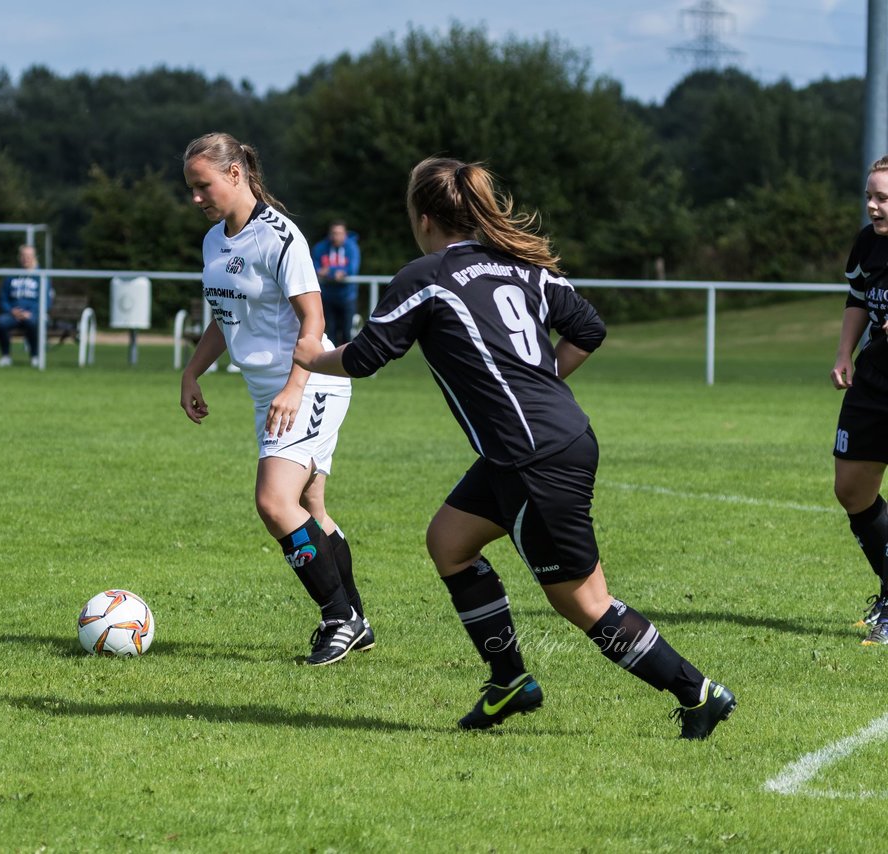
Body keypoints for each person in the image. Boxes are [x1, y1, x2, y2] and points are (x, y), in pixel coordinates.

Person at [293, 156, 736, 738]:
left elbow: (365, 357)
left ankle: (697, 693)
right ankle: (510, 683)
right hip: (542, 444)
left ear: (423, 218)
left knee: (585, 602)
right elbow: (590, 329)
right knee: (449, 542)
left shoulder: (425, 277)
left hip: (535, 458)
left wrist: (309, 356)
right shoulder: (518, 265)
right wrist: (542, 387)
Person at [180, 132, 371, 666]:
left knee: (273, 501)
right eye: (191, 188)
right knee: (308, 506)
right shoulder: (215, 240)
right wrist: (192, 372)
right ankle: (355, 616)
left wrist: (294, 386)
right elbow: (224, 316)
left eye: (203, 185)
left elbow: (315, 320)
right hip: (270, 390)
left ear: (235, 174)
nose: (196, 198)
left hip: (311, 382)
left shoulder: (280, 237)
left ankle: (340, 618)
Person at [831, 154, 888, 645]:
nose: (873, 205)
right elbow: (857, 298)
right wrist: (845, 353)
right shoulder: (867, 243)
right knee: (851, 488)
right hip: (874, 381)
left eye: (883, 198)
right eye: (870, 196)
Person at [0, 244, 52, 367]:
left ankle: (35, 356)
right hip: (13, 314)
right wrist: (11, 310)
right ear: (19, 257)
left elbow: (46, 301)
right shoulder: (11, 276)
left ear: (34, 257)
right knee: (1, 322)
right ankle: (5, 356)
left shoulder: (41, 276)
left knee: (33, 323)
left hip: (32, 314)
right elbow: (3, 298)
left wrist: (31, 312)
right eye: (24, 256)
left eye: (29, 256)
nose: (26, 259)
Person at [311, 221, 361, 345]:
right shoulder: (320, 247)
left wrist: (328, 271)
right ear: (329, 234)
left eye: (339, 233)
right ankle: (331, 362)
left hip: (347, 296)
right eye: (334, 233)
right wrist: (335, 273)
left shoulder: (352, 247)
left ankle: (346, 362)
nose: (336, 236)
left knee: (347, 332)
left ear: (345, 234)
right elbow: (314, 267)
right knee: (330, 333)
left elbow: (352, 269)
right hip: (327, 296)